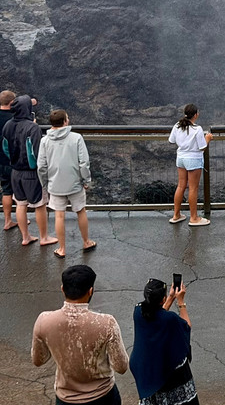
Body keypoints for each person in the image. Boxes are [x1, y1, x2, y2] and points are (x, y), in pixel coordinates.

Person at [31, 264, 129, 405]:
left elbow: (38, 360)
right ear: (90, 291)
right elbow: (121, 366)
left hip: (66, 398)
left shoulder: (44, 321)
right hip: (103, 396)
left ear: (63, 289)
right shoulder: (106, 323)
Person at [130, 278, 200, 405]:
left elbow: (157, 316)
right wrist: (180, 301)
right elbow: (186, 327)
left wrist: (170, 297)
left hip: (148, 369)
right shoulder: (170, 319)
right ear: (162, 299)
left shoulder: (138, 311)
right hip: (169, 373)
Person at [38, 109, 95, 257]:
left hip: (54, 184)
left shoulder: (44, 141)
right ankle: (86, 241)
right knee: (81, 211)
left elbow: (41, 166)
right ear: (65, 121)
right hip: (75, 183)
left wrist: (45, 183)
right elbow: (84, 163)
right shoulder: (76, 138)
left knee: (59, 215)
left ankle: (62, 249)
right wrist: (86, 180)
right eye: (67, 118)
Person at [2, 93, 57, 247]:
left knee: (20, 204)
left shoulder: (8, 125)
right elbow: (37, 153)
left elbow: (6, 148)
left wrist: (15, 161)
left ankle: (25, 237)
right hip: (31, 173)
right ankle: (44, 237)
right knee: (40, 205)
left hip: (15, 171)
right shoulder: (33, 128)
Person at [168, 104, 211, 227]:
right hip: (193, 159)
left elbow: (171, 140)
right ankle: (194, 218)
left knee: (181, 185)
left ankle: (176, 215)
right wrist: (207, 139)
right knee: (193, 188)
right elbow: (202, 147)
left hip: (181, 158)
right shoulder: (197, 129)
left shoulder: (177, 125)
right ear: (196, 114)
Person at [0, 89, 17, 231]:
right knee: (20, 192)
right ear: (12, 103)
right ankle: (21, 218)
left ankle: (7, 221)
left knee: (6, 191)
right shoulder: (15, 119)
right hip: (15, 161)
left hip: (1, 160)